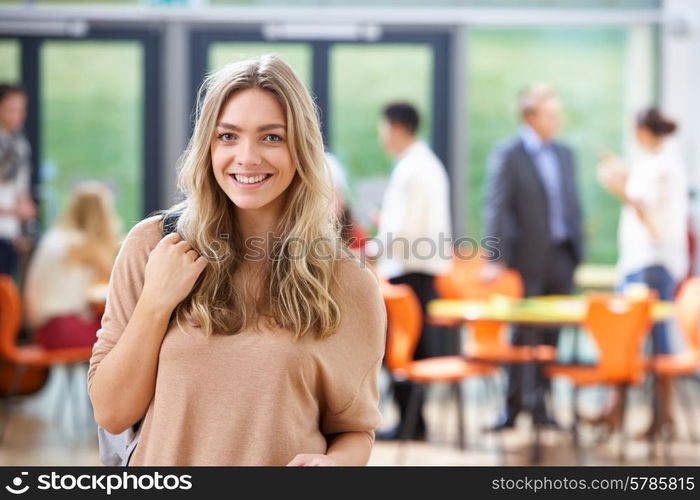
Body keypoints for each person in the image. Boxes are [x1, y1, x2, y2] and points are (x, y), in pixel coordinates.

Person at [88, 55, 386, 466]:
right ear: (207, 145)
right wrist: (156, 302)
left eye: (271, 138)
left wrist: (336, 464)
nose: (246, 157)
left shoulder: (346, 281)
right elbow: (111, 412)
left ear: (301, 148)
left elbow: (354, 429)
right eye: (228, 136)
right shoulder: (152, 247)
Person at [482, 83, 584, 430]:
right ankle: (513, 408)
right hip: (526, 260)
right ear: (530, 116)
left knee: (551, 337)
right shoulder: (509, 154)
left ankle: (542, 407)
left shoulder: (565, 153)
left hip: (562, 257)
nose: (557, 120)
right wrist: (493, 258)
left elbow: (571, 203)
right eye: (550, 114)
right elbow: (495, 207)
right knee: (524, 337)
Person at [595, 107, 688, 437]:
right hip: (641, 262)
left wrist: (621, 189)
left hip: (651, 264)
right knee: (631, 340)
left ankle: (655, 415)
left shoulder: (662, 167)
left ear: (640, 131)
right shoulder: (656, 162)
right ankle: (618, 411)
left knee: (651, 343)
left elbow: (647, 215)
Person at [369, 102, 452, 440]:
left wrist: (370, 251)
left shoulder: (410, 169)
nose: (382, 136)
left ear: (396, 127)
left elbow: (398, 230)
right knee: (418, 350)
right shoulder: (429, 165)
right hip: (424, 271)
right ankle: (415, 424)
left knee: (400, 352)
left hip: (406, 271)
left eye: (383, 129)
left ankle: (409, 425)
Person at [24, 182, 120, 350]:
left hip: (46, 329)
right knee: (123, 336)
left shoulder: (57, 236)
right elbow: (117, 280)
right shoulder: (81, 244)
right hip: (61, 328)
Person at [0, 84, 37, 277]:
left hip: (10, 233)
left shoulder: (19, 144)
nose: (18, 115)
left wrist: (23, 222)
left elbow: (20, 188)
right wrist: (16, 211)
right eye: (10, 109)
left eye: (21, 109)